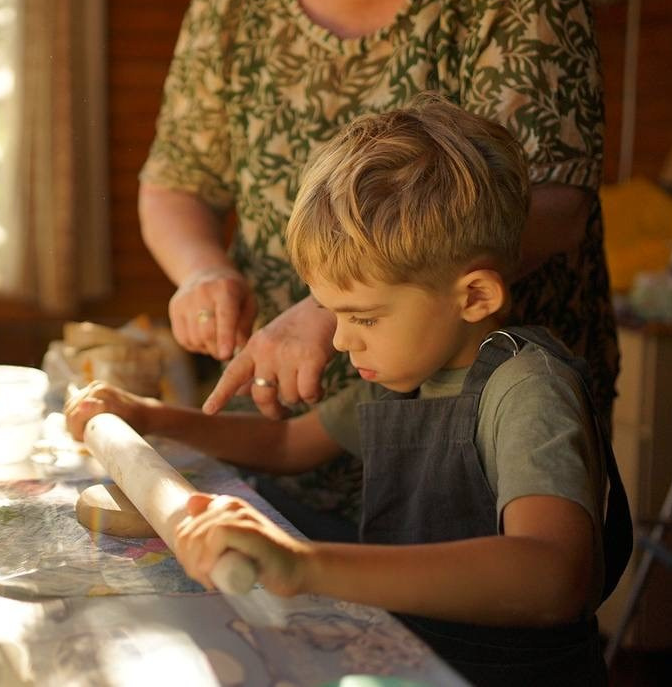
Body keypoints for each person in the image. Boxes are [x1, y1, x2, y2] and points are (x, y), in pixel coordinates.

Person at [70, 96, 632, 686]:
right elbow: (288, 444)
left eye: (363, 317)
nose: (339, 340)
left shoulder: (527, 389)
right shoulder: (407, 373)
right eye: (333, 313)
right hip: (414, 665)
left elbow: (552, 576)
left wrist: (303, 564)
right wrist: (152, 417)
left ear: (474, 297)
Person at [140, 0, 617, 525]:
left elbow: (553, 197)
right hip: (292, 429)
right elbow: (174, 181)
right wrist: (202, 271)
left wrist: (330, 307)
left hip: (469, 429)